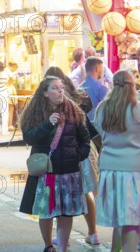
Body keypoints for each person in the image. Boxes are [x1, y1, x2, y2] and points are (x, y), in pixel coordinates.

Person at [19, 76, 90, 252]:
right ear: (44, 92)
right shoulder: (35, 113)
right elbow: (29, 137)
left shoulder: (73, 110)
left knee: (66, 212)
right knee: (47, 210)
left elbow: (85, 138)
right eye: (55, 88)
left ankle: (64, 248)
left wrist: (78, 155)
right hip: (47, 173)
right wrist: (47, 124)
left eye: (61, 88)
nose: (60, 91)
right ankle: (48, 245)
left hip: (69, 171)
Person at [44, 66, 101, 247]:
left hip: (71, 152)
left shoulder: (60, 101)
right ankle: (93, 233)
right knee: (85, 193)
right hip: (85, 149)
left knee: (61, 196)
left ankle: (64, 239)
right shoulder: (77, 94)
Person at [94, 70, 140, 252]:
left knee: (120, 216)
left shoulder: (102, 109)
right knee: (132, 218)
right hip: (136, 170)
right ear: (133, 86)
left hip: (110, 170)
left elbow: (101, 134)